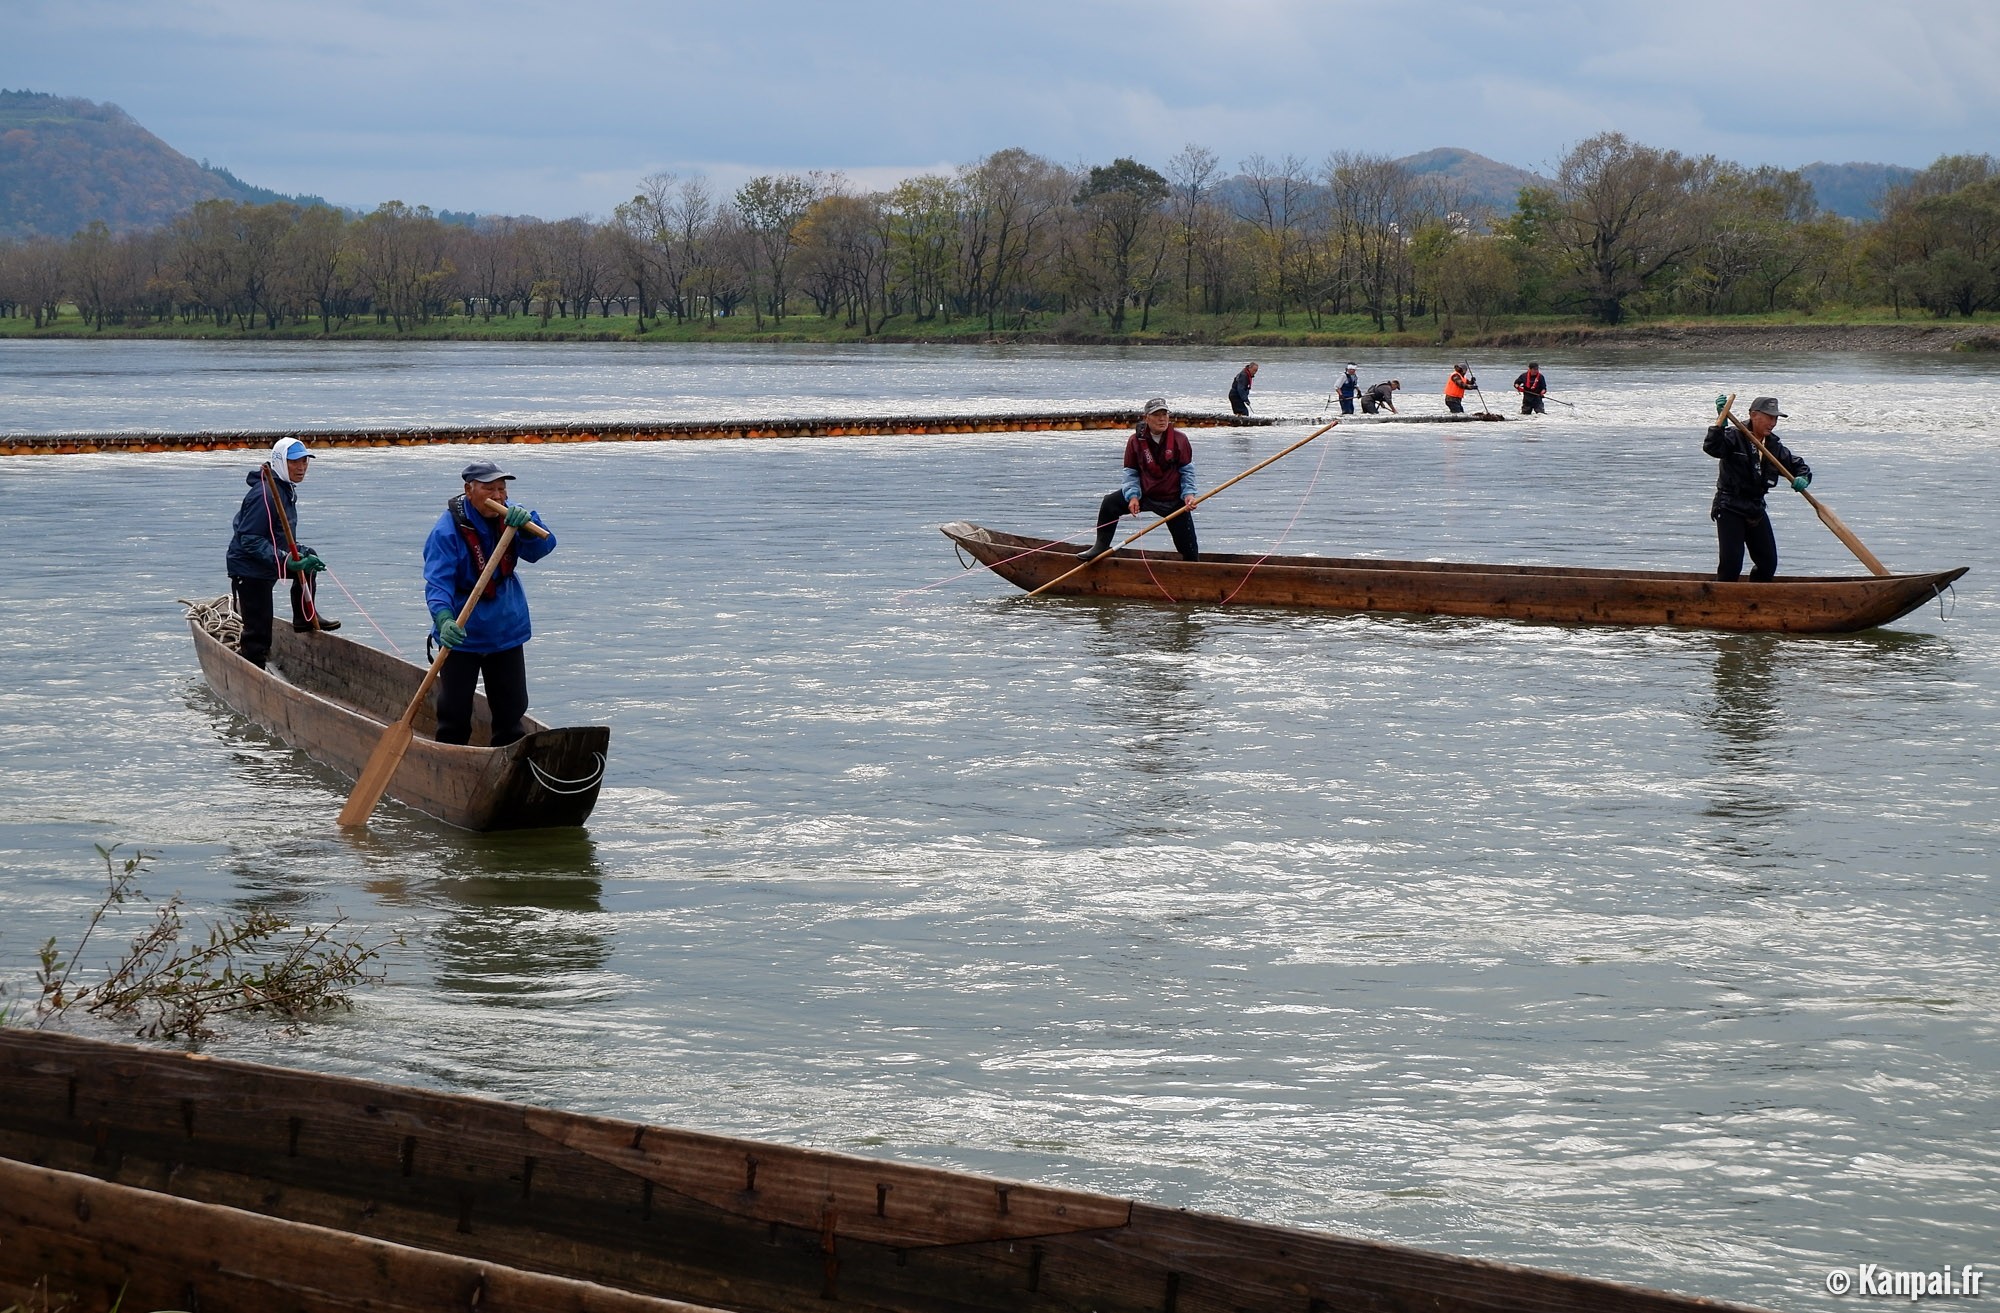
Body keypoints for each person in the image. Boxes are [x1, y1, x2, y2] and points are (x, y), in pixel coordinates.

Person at [423, 459, 557, 746]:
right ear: (469, 490)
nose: (498, 496)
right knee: (454, 715)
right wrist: (444, 619)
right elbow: (438, 584)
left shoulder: (513, 515)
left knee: (511, 713)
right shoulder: (446, 531)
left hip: (506, 629)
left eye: (502, 488)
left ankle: (507, 763)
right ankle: (449, 764)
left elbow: (543, 547)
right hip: (462, 632)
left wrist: (526, 528)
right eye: (489, 489)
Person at [225, 436, 336, 669]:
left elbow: (281, 536)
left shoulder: (284, 489)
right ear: (279, 462)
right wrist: (286, 560)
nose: (302, 468)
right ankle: (255, 670)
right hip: (249, 566)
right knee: (259, 633)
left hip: (269, 558)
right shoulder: (265, 494)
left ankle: (304, 618)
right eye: (295, 462)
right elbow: (250, 539)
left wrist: (301, 555)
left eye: (305, 462)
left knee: (307, 560)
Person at [1704, 396, 1812, 583]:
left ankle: (1754, 599)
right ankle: (1720, 604)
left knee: (1768, 564)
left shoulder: (1774, 446)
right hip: (1730, 506)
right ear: (1753, 415)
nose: (1773, 423)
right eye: (1769, 417)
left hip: (1756, 508)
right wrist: (1720, 423)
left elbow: (1797, 465)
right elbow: (1712, 447)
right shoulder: (1734, 437)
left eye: (1775, 419)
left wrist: (1803, 477)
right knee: (1731, 565)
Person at [1081, 398, 1199, 562]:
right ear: (1146, 418)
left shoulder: (1180, 439)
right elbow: (1131, 472)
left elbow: (1187, 471)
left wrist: (1189, 494)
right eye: (1157, 415)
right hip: (1146, 494)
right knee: (1110, 503)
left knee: (1189, 550)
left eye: (1165, 414)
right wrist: (1133, 496)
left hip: (1172, 499)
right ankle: (1100, 546)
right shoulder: (1135, 441)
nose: (1162, 419)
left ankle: (1192, 569)